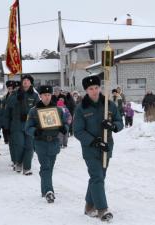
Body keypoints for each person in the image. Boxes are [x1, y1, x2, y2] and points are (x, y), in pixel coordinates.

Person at [73, 75, 123, 221]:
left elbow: (120, 122)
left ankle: (89, 206)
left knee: (99, 178)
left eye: (96, 88)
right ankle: (102, 209)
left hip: (106, 148)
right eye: (90, 89)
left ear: (100, 88)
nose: (94, 91)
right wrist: (95, 142)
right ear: (86, 91)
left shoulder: (108, 105)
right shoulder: (81, 109)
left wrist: (113, 126)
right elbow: (78, 131)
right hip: (90, 149)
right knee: (97, 177)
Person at [25, 85, 68, 203]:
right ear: (40, 96)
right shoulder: (33, 111)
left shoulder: (58, 110)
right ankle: (49, 191)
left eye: (49, 95)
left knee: (49, 168)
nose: (47, 97)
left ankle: (44, 188)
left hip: (54, 142)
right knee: (46, 167)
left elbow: (65, 123)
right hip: (41, 143)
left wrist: (64, 128)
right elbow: (27, 128)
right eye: (44, 95)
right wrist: (35, 131)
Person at [4, 74, 39, 175]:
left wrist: (29, 116)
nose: (25, 82)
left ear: (31, 83)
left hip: (29, 124)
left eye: (28, 80)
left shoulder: (34, 95)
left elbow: (38, 109)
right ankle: (18, 162)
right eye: (24, 80)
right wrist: (17, 98)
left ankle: (27, 167)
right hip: (17, 124)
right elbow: (8, 106)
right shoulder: (15, 93)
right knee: (19, 145)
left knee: (29, 146)